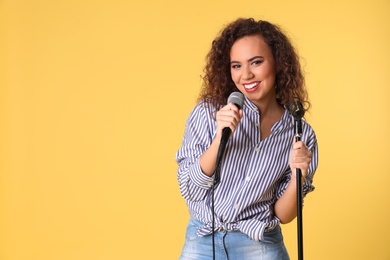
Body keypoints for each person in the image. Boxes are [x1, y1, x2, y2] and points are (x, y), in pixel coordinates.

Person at [175, 18, 318, 260]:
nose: (246, 75)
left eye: (256, 62)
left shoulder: (299, 132)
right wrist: (219, 138)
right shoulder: (209, 114)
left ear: (278, 64)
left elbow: (284, 215)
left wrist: (299, 175)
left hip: (258, 243)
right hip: (202, 240)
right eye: (236, 66)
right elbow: (190, 188)